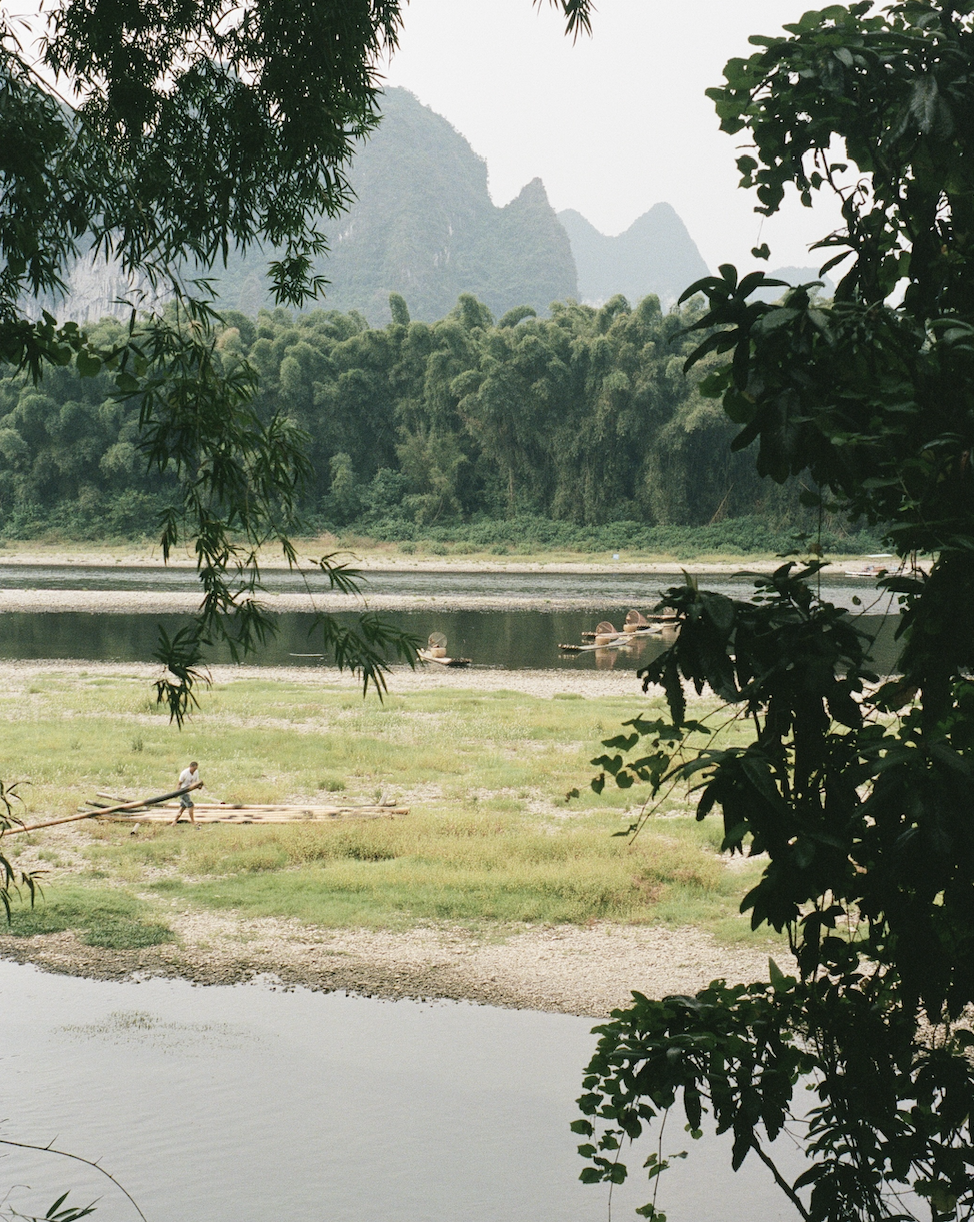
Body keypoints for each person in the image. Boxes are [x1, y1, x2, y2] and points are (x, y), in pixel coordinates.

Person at [173, 761, 203, 826]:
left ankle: (174, 822)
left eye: (196, 769)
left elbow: (195, 782)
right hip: (182, 791)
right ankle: (193, 822)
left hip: (188, 792)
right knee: (191, 805)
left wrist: (199, 786)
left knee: (183, 807)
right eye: (194, 769)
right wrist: (176, 793)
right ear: (190, 767)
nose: (194, 770)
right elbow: (179, 784)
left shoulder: (196, 772)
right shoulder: (184, 773)